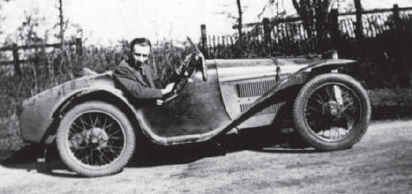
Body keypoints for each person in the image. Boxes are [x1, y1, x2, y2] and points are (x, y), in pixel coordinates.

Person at [113, 38, 175, 104]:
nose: (141, 59)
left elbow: (157, 83)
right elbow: (138, 92)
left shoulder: (146, 68)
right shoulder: (122, 69)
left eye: (145, 55)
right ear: (130, 53)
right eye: (137, 55)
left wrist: (175, 77)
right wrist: (164, 91)